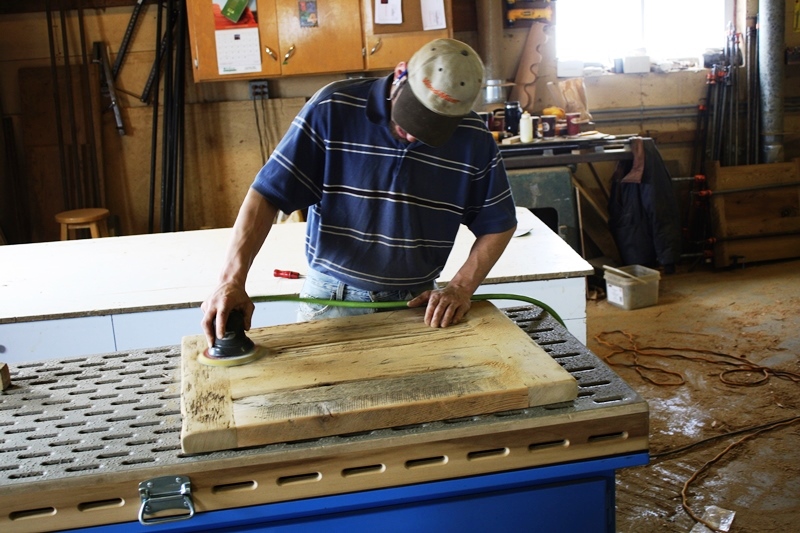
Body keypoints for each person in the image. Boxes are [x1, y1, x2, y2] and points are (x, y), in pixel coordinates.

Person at [201, 38, 517, 348]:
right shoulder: (332, 107)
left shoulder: (473, 138)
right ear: (400, 74)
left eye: (428, 129)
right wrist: (232, 280)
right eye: (408, 118)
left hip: (417, 306)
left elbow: (498, 224)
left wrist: (461, 287)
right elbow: (267, 194)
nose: (410, 135)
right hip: (332, 302)